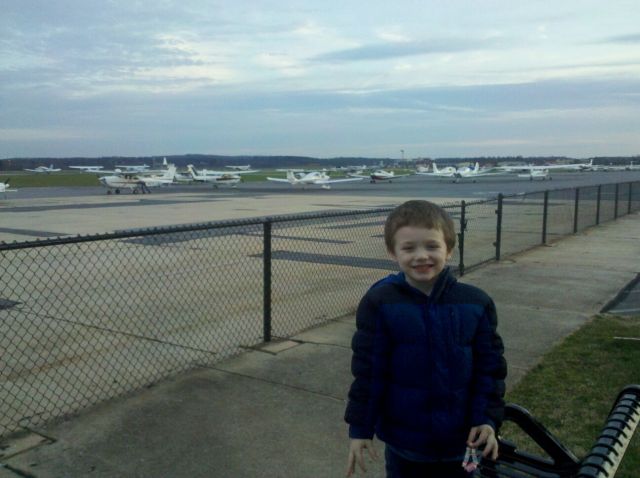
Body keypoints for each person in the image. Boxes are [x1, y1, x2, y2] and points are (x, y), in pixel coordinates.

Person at [345, 200, 507, 477]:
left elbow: (489, 369)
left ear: (450, 249)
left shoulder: (476, 302)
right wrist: (360, 428)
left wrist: (487, 418)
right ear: (392, 252)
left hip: (463, 442)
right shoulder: (380, 303)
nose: (421, 256)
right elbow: (369, 373)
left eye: (432, 246)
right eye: (409, 248)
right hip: (405, 446)